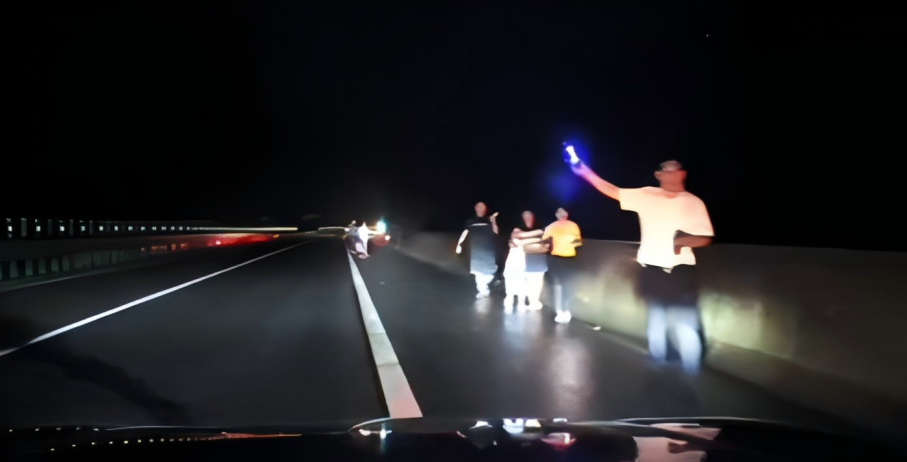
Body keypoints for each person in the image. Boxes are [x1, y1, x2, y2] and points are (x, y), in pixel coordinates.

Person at [571, 159, 713, 373]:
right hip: (651, 270)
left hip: (681, 272)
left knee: (685, 324)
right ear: (658, 175)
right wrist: (585, 172)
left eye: (676, 167)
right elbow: (613, 191)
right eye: (666, 168)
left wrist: (682, 241)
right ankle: (657, 365)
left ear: (683, 174)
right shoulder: (647, 195)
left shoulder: (694, 202)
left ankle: (691, 372)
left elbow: (705, 237)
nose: (671, 170)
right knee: (656, 320)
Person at [543, 208, 582, 323]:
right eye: (560, 213)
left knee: (568, 285)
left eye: (563, 212)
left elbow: (579, 241)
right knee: (558, 285)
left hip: (570, 258)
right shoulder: (551, 226)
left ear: (567, 214)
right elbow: (544, 241)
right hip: (556, 259)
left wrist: (573, 242)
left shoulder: (573, 225)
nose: (562, 214)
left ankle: (566, 309)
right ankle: (560, 311)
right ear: (556, 215)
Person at [503, 211, 547, 312]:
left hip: (532, 261)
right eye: (525, 216)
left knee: (530, 283)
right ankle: (511, 301)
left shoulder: (538, 229)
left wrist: (540, 234)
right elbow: (518, 240)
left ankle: (525, 302)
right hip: (516, 260)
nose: (528, 218)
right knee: (513, 282)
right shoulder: (517, 229)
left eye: (530, 215)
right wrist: (538, 236)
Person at [456, 202, 500, 298]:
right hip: (476, 251)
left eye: (482, 206)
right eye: (478, 206)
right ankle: (483, 291)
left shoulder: (489, 220)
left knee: (490, 272)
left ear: (485, 209)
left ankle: (492, 282)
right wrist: (459, 244)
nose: (480, 208)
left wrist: (493, 219)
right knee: (478, 273)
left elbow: (496, 231)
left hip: (488, 250)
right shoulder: (471, 222)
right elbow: (464, 233)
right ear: (475, 208)